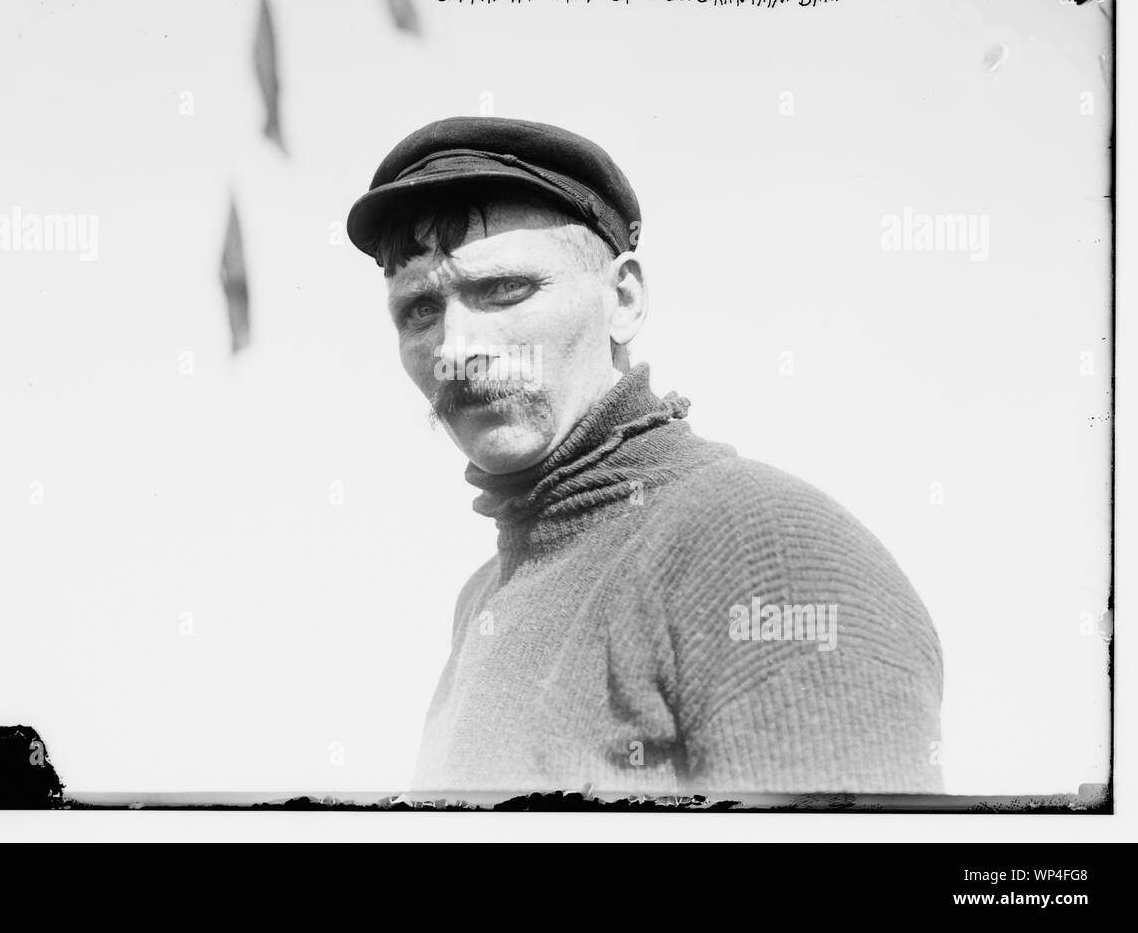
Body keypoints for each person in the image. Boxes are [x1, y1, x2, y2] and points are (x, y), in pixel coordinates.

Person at [346, 116, 944, 797]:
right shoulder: (481, 602)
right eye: (419, 309)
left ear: (623, 300)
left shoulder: (764, 548)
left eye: (504, 291)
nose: (455, 349)